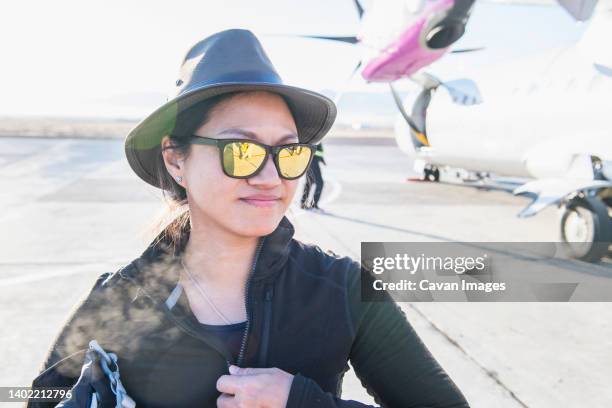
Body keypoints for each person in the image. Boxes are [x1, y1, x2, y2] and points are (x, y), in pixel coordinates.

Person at [26, 29, 470, 408]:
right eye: (242, 150)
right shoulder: (120, 298)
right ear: (175, 160)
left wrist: (303, 401)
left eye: (289, 151)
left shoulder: (344, 289)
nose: (271, 176)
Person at [300, 143, 326, 210]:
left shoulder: (318, 136)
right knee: (319, 183)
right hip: (312, 162)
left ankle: (304, 203)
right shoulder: (315, 136)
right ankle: (312, 204)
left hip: (312, 161)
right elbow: (312, 149)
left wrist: (321, 159)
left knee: (310, 182)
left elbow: (317, 149)